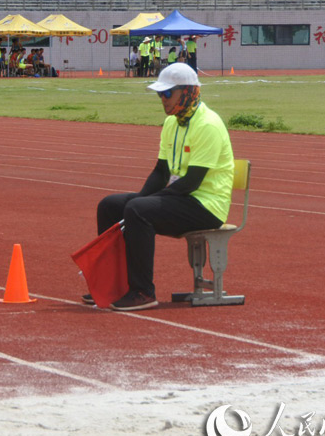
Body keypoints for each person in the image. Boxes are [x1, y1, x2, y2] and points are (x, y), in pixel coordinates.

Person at [82, 63, 234, 311]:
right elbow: (161, 172)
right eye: (159, 95)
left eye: (167, 93)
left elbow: (191, 182)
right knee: (110, 206)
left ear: (187, 92)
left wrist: (139, 205)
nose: (162, 100)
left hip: (206, 206)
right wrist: (139, 199)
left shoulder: (207, 125)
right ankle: (113, 285)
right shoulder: (172, 123)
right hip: (182, 199)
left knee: (138, 210)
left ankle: (142, 291)